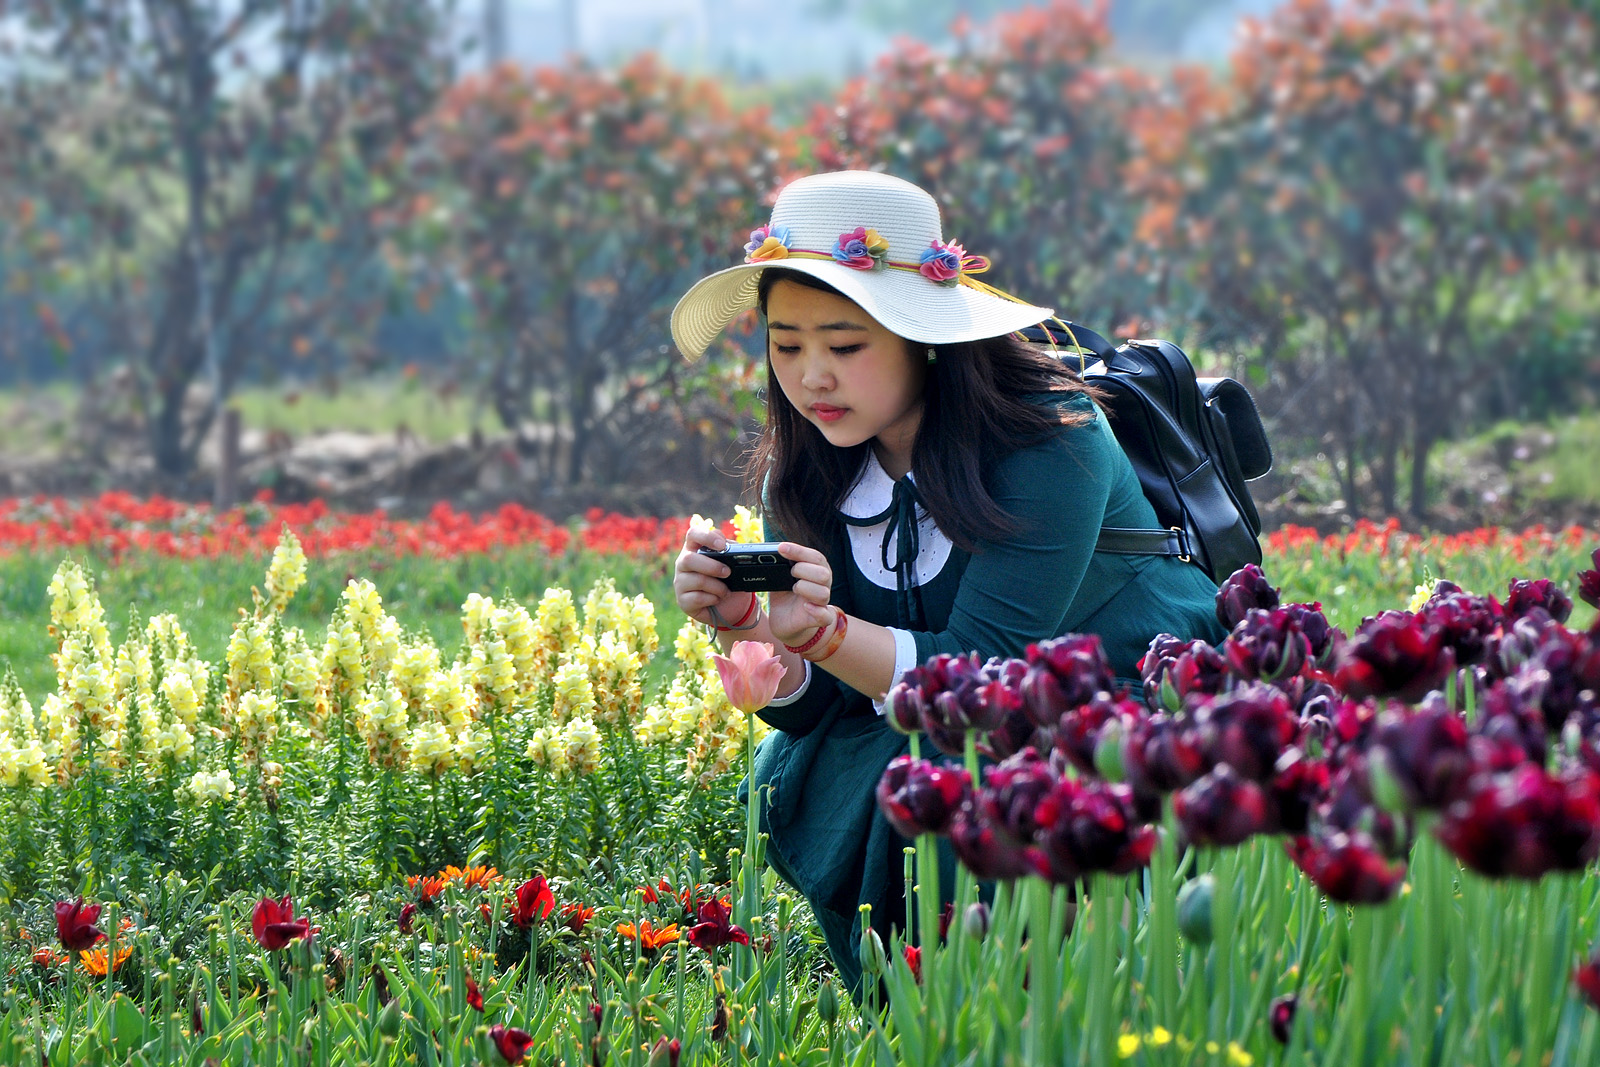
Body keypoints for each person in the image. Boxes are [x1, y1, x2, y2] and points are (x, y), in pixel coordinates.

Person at [669, 170, 1224, 996]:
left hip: (1095, 683)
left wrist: (822, 633)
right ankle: (918, 998)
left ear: (924, 336)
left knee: (978, 765)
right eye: (786, 345)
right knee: (820, 756)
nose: (811, 375)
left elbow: (983, 675)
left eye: (845, 345)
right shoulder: (806, 466)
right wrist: (753, 632)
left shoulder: (1052, 439)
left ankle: (1075, 988)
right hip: (937, 701)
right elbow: (828, 700)